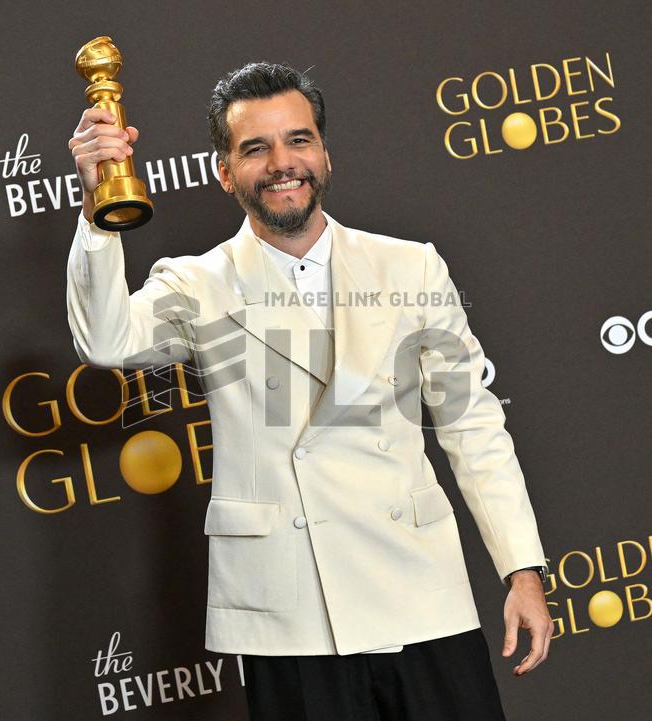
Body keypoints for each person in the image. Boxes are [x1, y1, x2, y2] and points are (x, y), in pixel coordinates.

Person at [66, 61, 552, 721]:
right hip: (289, 615)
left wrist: (521, 569)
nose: (281, 162)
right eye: (255, 147)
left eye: (298, 140)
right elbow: (105, 341)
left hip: (422, 593)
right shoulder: (197, 282)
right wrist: (99, 212)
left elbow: (472, 427)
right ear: (224, 171)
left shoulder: (411, 265)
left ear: (325, 154)